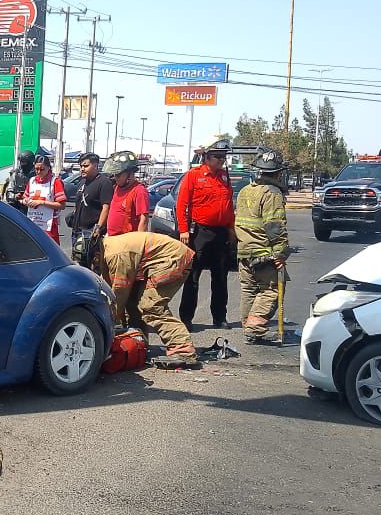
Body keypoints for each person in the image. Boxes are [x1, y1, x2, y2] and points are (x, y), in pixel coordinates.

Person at [90, 231, 196, 364]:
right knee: (133, 301)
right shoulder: (108, 247)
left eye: (94, 264)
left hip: (173, 259)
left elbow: (119, 292)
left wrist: (111, 323)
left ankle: (183, 349)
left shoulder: (115, 255)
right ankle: (138, 343)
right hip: (166, 258)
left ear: (96, 255)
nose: (94, 267)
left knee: (151, 307)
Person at [175, 138, 236, 331]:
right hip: (200, 232)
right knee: (192, 277)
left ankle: (220, 317)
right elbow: (181, 204)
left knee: (220, 277)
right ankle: (186, 317)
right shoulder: (194, 175)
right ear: (207, 158)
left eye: (223, 157)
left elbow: (228, 207)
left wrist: (232, 229)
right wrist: (184, 230)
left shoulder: (224, 177)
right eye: (217, 157)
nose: (221, 160)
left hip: (220, 233)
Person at [235, 150, 290, 344]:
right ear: (277, 173)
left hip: (244, 251)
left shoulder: (245, 191)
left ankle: (248, 324)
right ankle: (255, 328)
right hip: (264, 252)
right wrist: (281, 253)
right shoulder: (272, 194)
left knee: (249, 289)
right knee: (271, 290)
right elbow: (274, 226)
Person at [70, 153, 114, 267]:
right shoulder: (82, 182)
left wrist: (99, 227)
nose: (82, 169)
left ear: (95, 165)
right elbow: (78, 202)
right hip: (77, 231)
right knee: (79, 263)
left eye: (85, 166)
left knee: (94, 265)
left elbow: (106, 207)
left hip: (92, 233)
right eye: (81, 166)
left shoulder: (104, 182)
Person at [103, 151, 150, 236]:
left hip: (127, 242)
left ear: (130, 173)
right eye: (114, 174)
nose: (115, 177)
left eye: (118, 175)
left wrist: (139, 243)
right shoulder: (117, 188)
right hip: (112, 238)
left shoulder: (139, 191)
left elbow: (144, 220)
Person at [23, 154, 65, 243]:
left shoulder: (55, 182)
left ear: (48, 168)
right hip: (33, 221)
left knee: (50, 249)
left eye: (42, 169)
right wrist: (26, 201)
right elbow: (25, 197)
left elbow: (61, 205)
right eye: (36, 169)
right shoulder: (32, 180)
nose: (38, 172)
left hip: (49, 225)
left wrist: (41, 202)